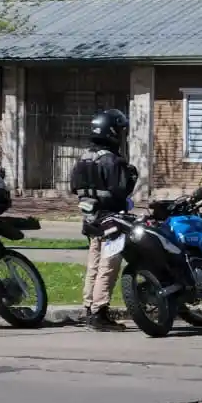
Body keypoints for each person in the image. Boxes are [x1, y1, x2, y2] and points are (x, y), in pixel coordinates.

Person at [68, 109, 139, 332]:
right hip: (111, 221)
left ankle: (89, 308)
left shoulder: (83, 158)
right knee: (108, 267)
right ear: (112, 132)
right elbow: (120, 191)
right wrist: (132, 176)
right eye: (120, 130)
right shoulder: (112, 161)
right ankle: (99, 312)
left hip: (91, 220)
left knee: (94, 265)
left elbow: (74, 188)